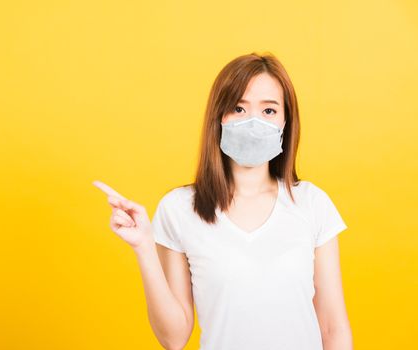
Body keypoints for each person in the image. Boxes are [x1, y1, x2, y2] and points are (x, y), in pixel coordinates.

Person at [93, 52, 353, 350]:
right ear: (219, 116)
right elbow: (174, 338)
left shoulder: (312, 203)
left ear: (285, 121)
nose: (254, 121)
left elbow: (333, 327)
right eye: (239, 108)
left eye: (269, 111)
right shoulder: (179, 209)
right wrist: (143, 246)